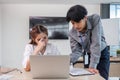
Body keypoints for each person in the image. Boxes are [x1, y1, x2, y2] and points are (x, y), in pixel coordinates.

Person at [66, 5, 110, 80]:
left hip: (102, 52)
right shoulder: (72, 33)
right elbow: (76, 52)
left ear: (85, 18)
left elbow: (96, 44)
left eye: (78, 22)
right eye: (73, 23)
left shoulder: (95, 19)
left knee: (101, 77)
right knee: (88, 77)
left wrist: (92, 66)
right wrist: (65, 62)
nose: (76, 26)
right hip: (88, 54)